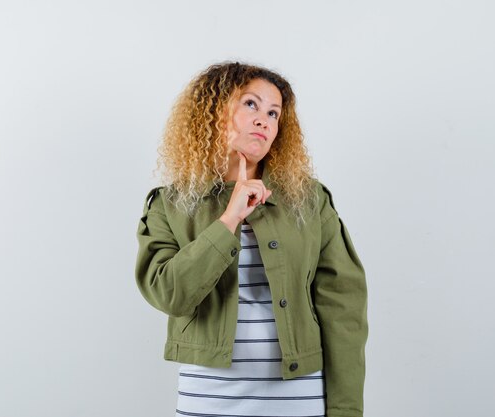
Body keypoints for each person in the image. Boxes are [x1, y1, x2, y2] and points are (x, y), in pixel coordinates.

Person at [134, 61, 368, 417]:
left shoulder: (308, 200)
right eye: (251, 105)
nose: (264, 120)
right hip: (209, 398)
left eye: (274, 113)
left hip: (298, 399)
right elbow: (170, 294)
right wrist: (230, 219)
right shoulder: (171, 204)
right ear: (212, 112)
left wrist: (345, 410)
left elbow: (344, 310)